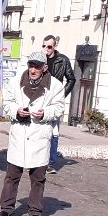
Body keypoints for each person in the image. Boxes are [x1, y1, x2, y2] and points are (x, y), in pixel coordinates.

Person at [0, 51, 66, 216]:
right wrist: (16, 111)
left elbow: (59, 108)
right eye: (31, 66)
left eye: (37, 67)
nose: (33, 70)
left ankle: (35, 212)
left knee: (38, 178)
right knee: (12, 176)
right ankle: (6, 208)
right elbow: (7, 103)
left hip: (39, 135)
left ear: (45, 68)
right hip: (20, 133)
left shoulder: (55, 86)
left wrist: (46, 113)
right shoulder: (15, 82)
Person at [42, 35, 74, 173]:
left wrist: (61, 95)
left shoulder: (62, 60)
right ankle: (37, 161)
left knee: (53, 132)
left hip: (54, 100)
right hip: (40, 98)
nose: (46, 49)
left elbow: (71, 79)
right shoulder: (39, 58)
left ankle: (50, 163)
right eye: (44, 46)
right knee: (38, 130)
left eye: (49, 46)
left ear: (55, 46)